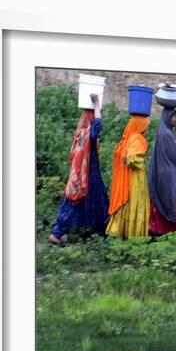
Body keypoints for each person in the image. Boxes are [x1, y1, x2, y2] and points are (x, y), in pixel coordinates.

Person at [48, 94, 109, 244]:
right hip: (88, 173)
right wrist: (96, 105)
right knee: (97, 200)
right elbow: (98, 127)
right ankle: (102, 236)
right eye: (93, 116)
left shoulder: (80, 132)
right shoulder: (87, 133)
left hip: (80, 174)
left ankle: (59, 231)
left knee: (76, 201)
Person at [106, 115, 151, 238]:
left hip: (127, 178)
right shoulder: (137, 138)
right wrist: (142, 163)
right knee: (136, 204)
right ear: (139, 126)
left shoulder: (127, 138)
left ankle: (119, 234)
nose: (146, 130)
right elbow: (131, 158)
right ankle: (134, 236)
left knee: (126, 205)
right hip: (135, 178)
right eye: (145, 127)